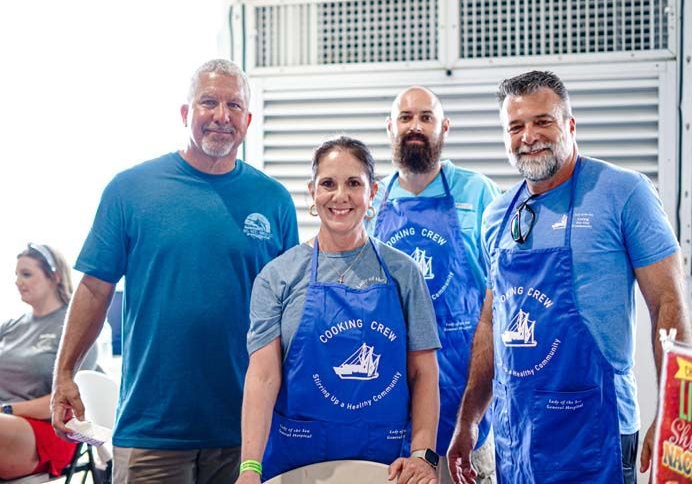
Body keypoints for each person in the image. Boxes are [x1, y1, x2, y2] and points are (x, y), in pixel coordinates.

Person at [50, 59, 299, 484]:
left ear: (248, 120)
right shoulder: (130, 190)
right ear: (185, 114)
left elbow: (291, 309)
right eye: (209, 102)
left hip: (246, 431)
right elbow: (94, 288)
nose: (222, 115)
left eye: (234, 106)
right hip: (152, 428)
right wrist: (64, 373)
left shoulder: (273, 200)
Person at [447, 70, 692, 484]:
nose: (529, 136)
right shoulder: (497, 215)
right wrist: (469, 420)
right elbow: (492, 320)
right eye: (516, 126)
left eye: (543, 121)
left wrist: (674, 413)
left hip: (596, 432)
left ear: (570, 125)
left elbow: (668, 302)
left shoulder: (623, 192)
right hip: (517, 434)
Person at [238, 136, 441, 484]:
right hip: (295, 461)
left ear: (372, 192)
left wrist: (424, 456)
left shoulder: (404, 272)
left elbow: (424, 372)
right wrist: (249, 468)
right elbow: (263, 376)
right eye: (328, 184)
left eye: (354, 183)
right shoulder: (278, 276)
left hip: (387, 465)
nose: (340, 196)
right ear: (312, 193)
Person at [370, 87, 500, 483]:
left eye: (426, 117)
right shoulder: (371, 201)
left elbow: (504, 297)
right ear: (390, 127)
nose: (415, 126)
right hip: (392, 403)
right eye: (406, 118)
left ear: (444, 128)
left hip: (467, 401)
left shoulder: (479, 193)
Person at [0, 243, 98, 480]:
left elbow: (67, 399)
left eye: (26, 274)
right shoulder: (11, 326)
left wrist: (6, 409)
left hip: (48, 428)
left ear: (54, 277)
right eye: (16, 275)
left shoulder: (76, 327)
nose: (17, 281)